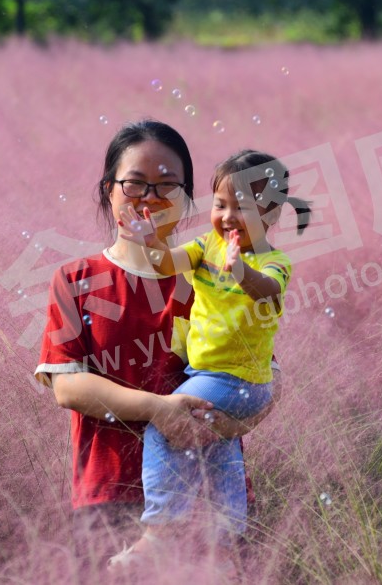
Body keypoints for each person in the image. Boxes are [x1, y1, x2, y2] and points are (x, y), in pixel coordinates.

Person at [33, 121, 280, 573]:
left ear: (188, 199)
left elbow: (262, 373)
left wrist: (227, 425)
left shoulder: (210, 278)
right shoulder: (75, 280)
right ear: (109, 190)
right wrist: (159, 410)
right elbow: (68, 387)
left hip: (209, 502)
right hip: (110, 495)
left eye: (167, 185)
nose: (149, 199)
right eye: (135, 184)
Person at [111, 149, 310, 573]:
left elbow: (266, 291)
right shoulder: (205, 247)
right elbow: (166, 264)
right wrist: (151, 240)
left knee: (164, 423)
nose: (229, 217)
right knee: (217, 447)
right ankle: (228, 534)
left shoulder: (274, 262)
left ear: (272, 215)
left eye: (245, 208)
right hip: (211, 377)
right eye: (221, 205)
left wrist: (241, 272)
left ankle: (161, 529)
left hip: (241, 381)